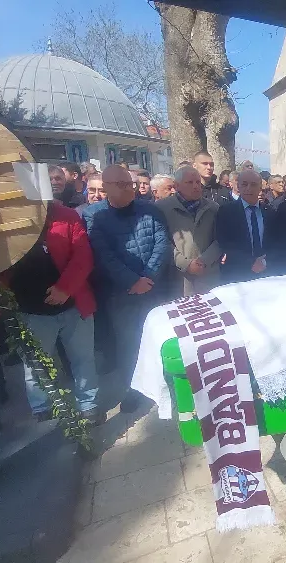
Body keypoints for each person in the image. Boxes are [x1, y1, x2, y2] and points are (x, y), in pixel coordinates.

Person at [2, 199, 101, 424]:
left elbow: (83, 256)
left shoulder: (66, 215)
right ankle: (42, 407)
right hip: (32, 308)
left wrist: (65, 288)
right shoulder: (6, 220)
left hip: (73, 303)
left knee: (83, 358)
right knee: (36, 362)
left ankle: (88, 405)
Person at [83, 165, 170, 412]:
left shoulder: (150, 210)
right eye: (120, 185)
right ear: (106, 187)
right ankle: (135, 389)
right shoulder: (94, 215)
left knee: (159, 337)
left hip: (153, 287)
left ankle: (164, 383)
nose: (128, 189)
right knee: (129, 344)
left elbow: (162, 243)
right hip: (121, 293)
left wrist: (148, 277)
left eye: (130, 184)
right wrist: (132, 281)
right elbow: (103, 255)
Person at [157, 166, 221, 296]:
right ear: (177, 186)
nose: (196, 186)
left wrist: (204, 261)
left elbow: (220, 239)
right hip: (178, 278)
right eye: (190, 182)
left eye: (198, 182)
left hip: (208, 274)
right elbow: (161, 242)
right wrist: (185, 264)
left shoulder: (213, 208)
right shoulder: (162, 208)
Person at [216, 169, 268, 284]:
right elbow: (224, 242)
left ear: (260, 187)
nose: (249, 188)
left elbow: (276, 242)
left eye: (253, 184)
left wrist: (264, 262)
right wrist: (250, 262)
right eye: (244, 184)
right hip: (237, 274)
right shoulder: (226, 211)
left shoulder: (269, 212)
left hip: (266, 273)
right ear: (238, 186)